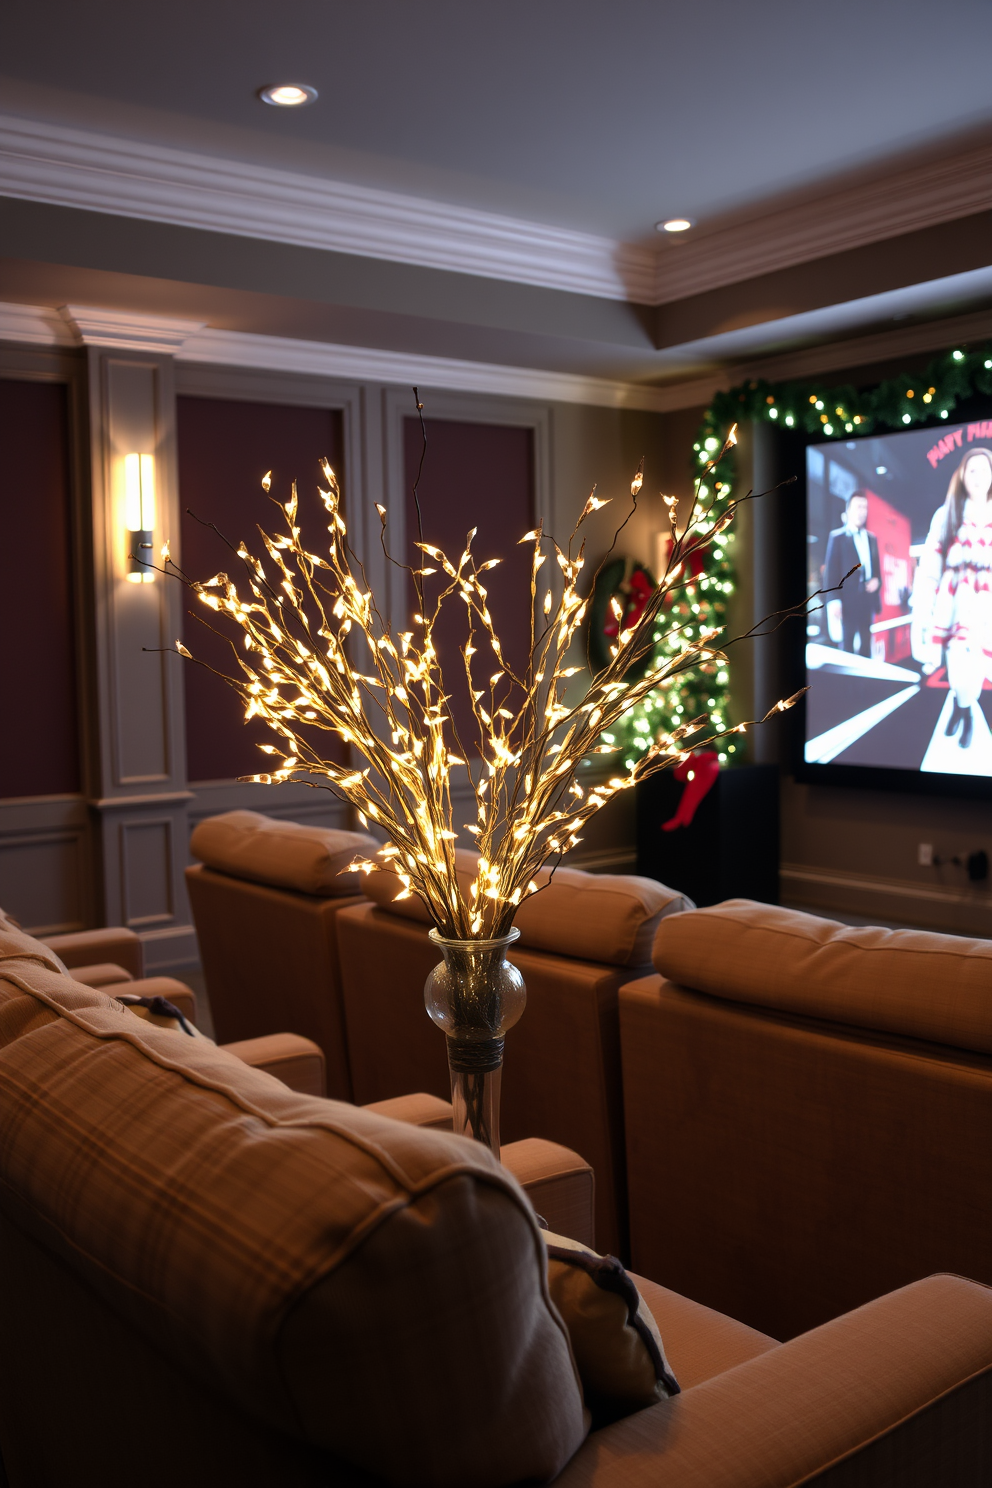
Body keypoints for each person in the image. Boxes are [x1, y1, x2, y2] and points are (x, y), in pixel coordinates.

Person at [911, 446, 992, 750]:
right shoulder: (946, 515)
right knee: (958, 670)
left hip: (987, 610)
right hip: (953, 608)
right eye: (971, 469)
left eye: (984, 469)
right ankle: (964, 711)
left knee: (977, 670)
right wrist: (925, 609)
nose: (978, 476)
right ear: (962, 475)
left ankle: (964, 711)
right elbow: (930, 568)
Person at [823, 491, 882, 656]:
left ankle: (865, 681)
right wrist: (833, 600)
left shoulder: (871, 539)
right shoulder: (837, 537)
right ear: (848, 510)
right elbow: (831, 573)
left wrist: (877, 582)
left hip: (867, 601)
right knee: (847, 647)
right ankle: (847, 682)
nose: (862, 511)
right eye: (858, 507)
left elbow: (877, 571)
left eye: (865, 507)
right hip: (846, 602)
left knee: (866, 645)